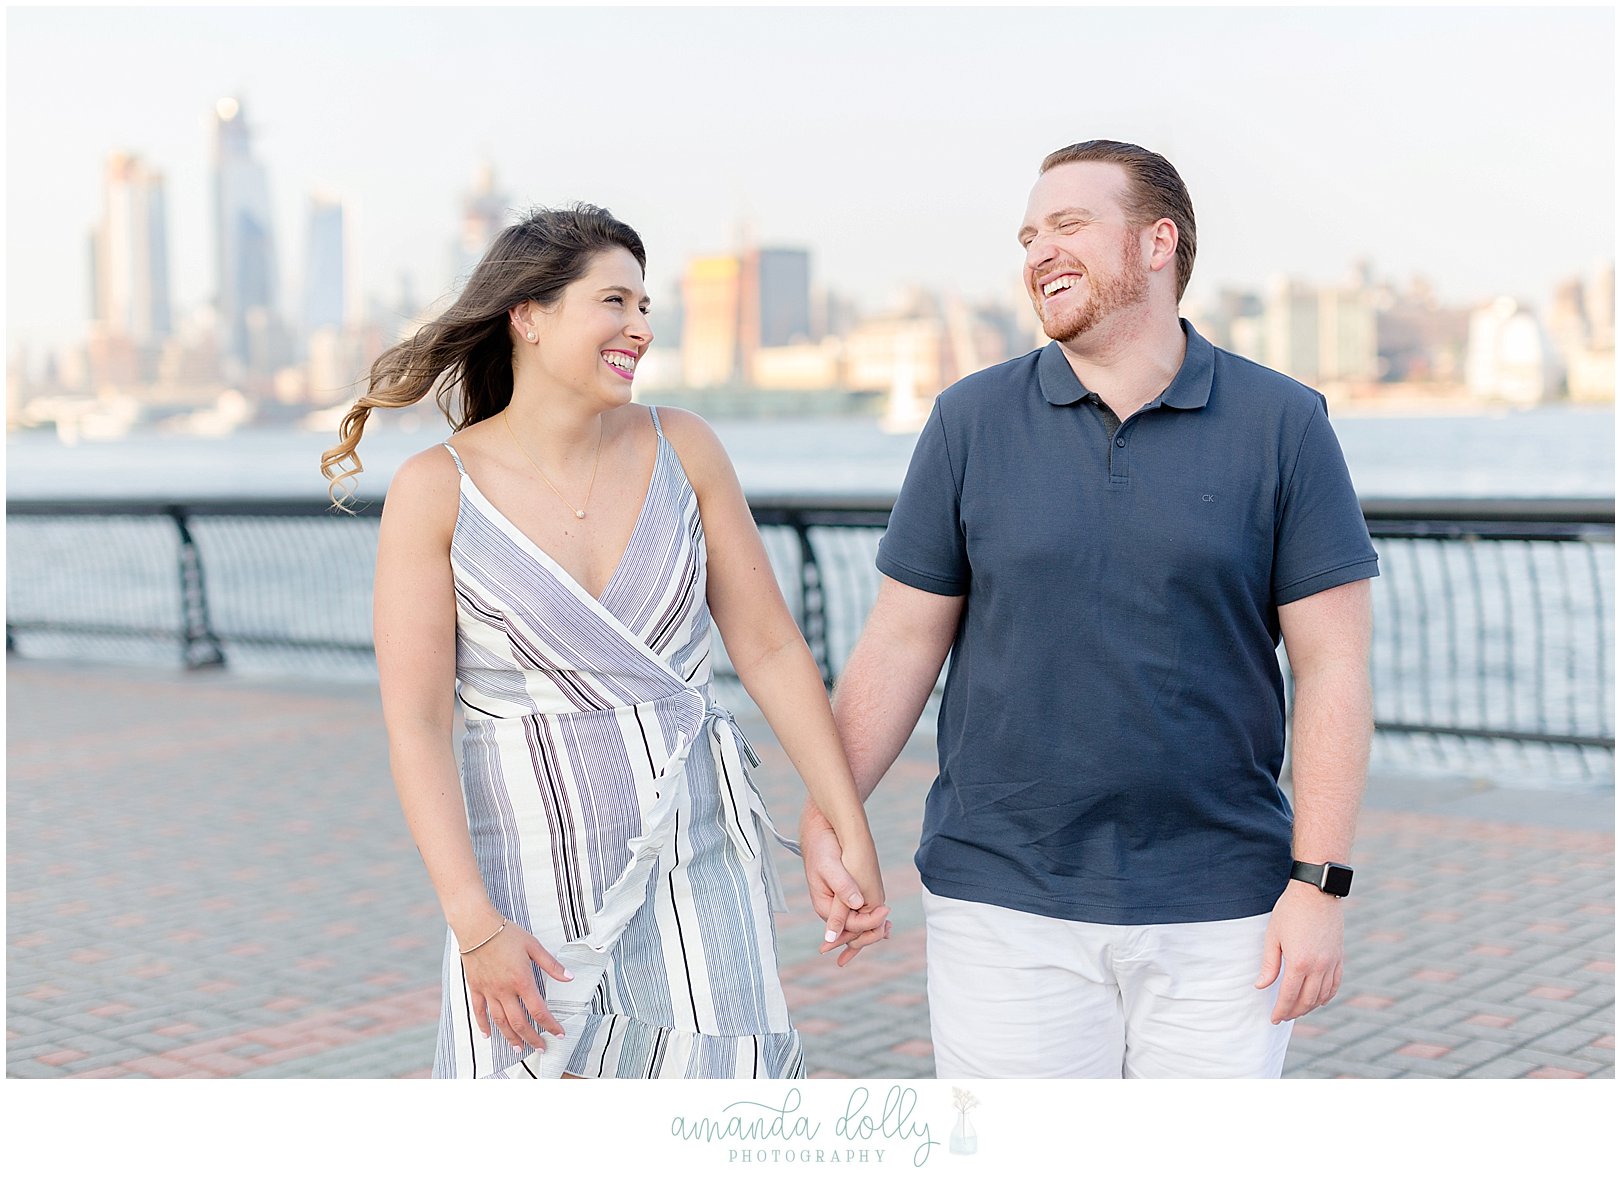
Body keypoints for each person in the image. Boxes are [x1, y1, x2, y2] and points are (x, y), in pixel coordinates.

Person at [801, 141, 1378, 1078]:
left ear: (1159, 242)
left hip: (1223, 905)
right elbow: (900, 641)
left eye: (1068, 225)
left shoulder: (1285, 424)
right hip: (1002, 899)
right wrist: (829, 815)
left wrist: (1318, 886)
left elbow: (1333, 668)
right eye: (1028, 235)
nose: (1037, 252)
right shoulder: (967, 421)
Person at [322, 203, 887, 1079]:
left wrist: (848, 827)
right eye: (614, 302)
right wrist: (475, 924)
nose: (640, 328)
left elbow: (771, 648)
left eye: (646, 307)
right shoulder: (437, 489)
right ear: (529, 316)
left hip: (697, 859)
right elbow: (416, 726)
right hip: (527, 892)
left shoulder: (684, 447)